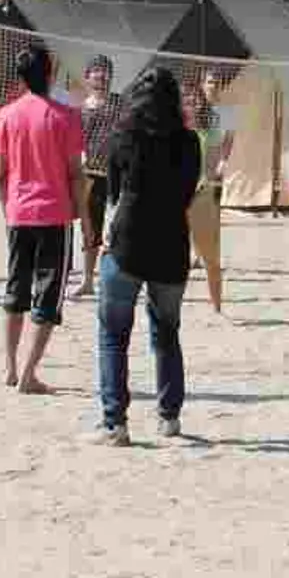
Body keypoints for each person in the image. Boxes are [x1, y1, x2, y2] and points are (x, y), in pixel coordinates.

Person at [95, 67, 203, 446]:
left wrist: (102, 242)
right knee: (167, 333)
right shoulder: (190, 142)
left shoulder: (123, 136)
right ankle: (170, 417)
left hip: (127, 241)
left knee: (113, 336)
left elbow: (111, 195)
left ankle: (114, 423)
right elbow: (188, 195)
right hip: (172, 243)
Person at [0, 46, 85, 396]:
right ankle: (29, 374)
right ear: (50, 74)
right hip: (54, 214)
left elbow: (0, 175)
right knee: (48, 297)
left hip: (18, 213)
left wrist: (8, 212)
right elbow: (76, 174)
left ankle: (11, 369)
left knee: (16, 289)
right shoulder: (66, 116)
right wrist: (87, 226)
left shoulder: (6, 115)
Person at [75, 54, 125, 298]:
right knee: (91, 229)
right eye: (97, 71)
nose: (101, 76)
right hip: (91, 175)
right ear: (87, 76)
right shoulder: (82, 109)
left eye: (106, 71)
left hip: (118, 175)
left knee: (118, 229)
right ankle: (87, 280)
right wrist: (81, 156)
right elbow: (78, 141)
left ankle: (119, 279)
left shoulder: (121, 104)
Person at [182, 80, 224, 312]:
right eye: (187, 98)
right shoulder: (172, 129)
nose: (192, 102)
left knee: (211, 257)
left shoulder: (211, 128)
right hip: (176, 197)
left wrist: (202, 182)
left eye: (196, 98)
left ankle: (217, 306)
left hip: (202, 195)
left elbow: (211, 164)